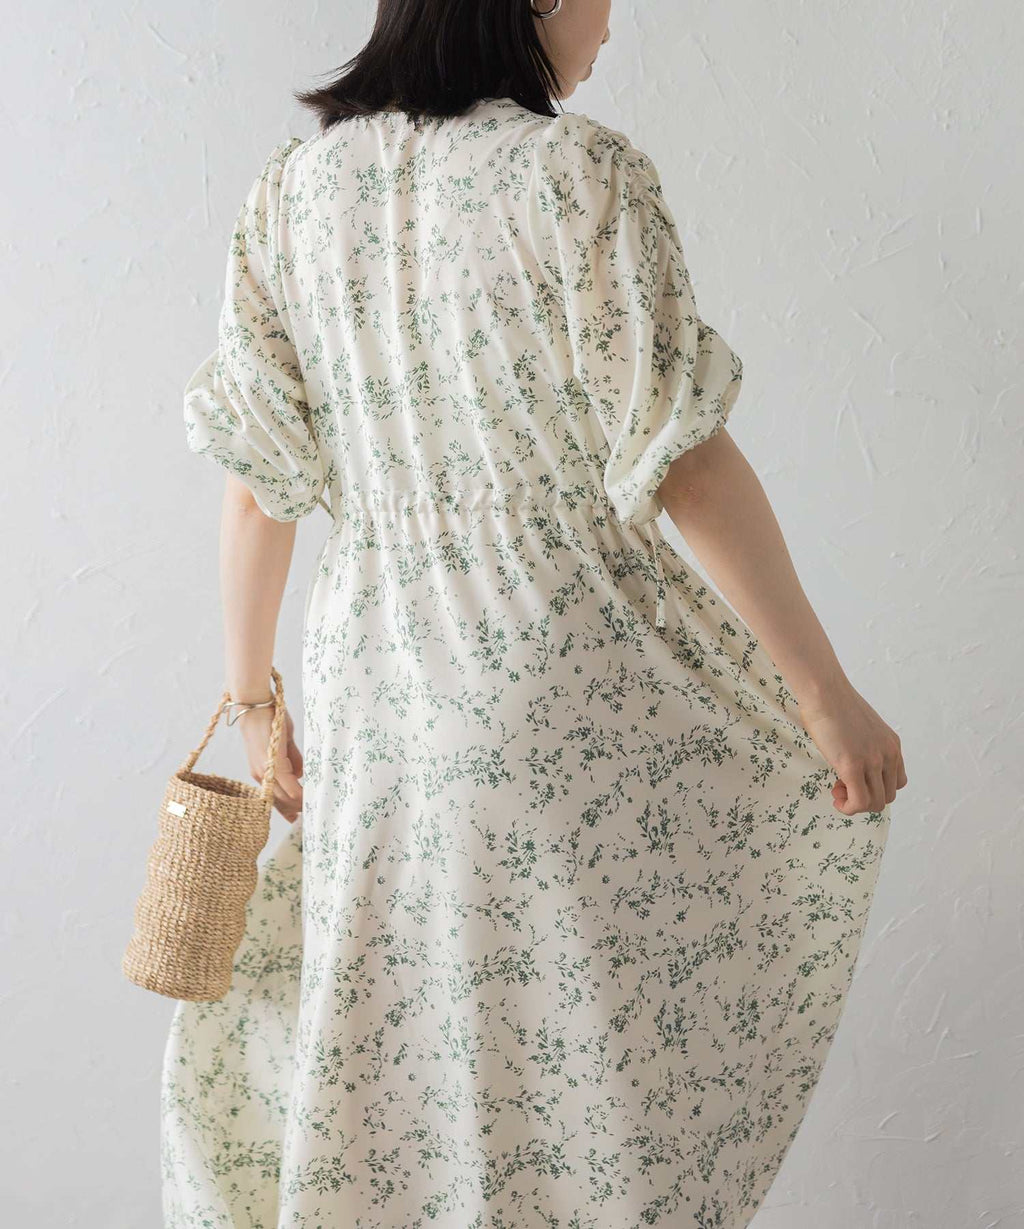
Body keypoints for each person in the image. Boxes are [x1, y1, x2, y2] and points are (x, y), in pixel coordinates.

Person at [162, 1, 906, 1225]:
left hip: (370, 687)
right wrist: (824, 699)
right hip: (558, 669)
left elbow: (257, 483)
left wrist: (254, 703)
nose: (614, 18)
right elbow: (683, 459)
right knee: (578, 1062)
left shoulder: (294, 193)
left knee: (396, 1041)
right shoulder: (577, 174)